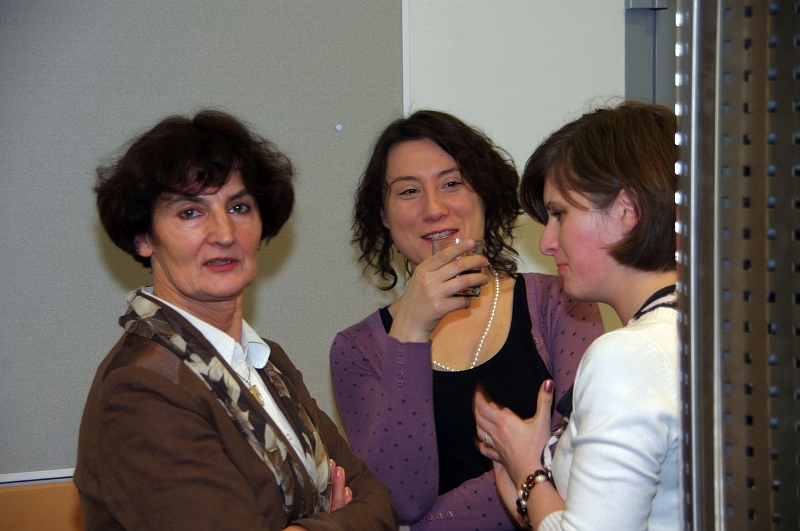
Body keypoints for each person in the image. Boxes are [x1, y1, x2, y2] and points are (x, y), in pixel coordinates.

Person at [74, 110, 398, 531]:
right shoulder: (141, 387)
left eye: (239, 207)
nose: (225, 233)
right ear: (143, 237)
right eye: (190, 212)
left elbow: (378, 501)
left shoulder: (266, 360)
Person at [329, 110, 603, 530]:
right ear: (383, 216)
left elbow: (580, 460)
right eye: (408, 191)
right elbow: (397, 500)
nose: (434, 208)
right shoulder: (357, 349)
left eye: (452, 183)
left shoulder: (560, 302)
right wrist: (410, 333)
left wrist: (432, 524)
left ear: (484, 194)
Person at [474, 101, 680, 531]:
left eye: (559, 215)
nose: (547, 242)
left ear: (627, 211)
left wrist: (527, 471)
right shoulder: (715, 333)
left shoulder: (629, 356)